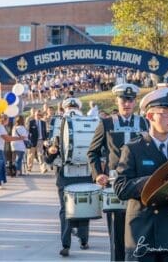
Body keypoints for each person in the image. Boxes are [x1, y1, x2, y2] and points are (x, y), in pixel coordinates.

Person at [114, 87, 168, 261]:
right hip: (143, 232)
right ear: (150, 116)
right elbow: (120, 188)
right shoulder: (133, 148)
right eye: (165, 113)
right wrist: (153, 182)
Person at [87, 83, 149, 262]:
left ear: (135, 102)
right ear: (117, 100)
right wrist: (98, 174)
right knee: (117, 235)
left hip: (141, 183)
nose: (127, 104)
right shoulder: (106, 123)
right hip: (116, 184)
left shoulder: (144, 122)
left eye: (130, 100)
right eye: (123, 100)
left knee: (140, 234)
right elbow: (93, 152)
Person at [56, 97, 92, 257]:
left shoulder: (89, 124)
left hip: (75, 174)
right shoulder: (89, 123)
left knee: (75, 209)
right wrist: (50, 151)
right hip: (74, 174)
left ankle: (77, 241)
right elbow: (51, 155)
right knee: (76, 208)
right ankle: (69, 243)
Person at [0, 113, 25, 187]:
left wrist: (16, 138)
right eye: (7, 119)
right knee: (0, 164)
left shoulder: (1, 126)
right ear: (4, 120)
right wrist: (19, 138)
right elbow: (7, 138)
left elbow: (7, 137)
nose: (9, 121)